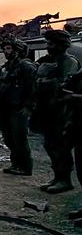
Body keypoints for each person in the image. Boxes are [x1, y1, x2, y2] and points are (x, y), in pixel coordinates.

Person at [32, 29, 80, 193]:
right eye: (47, 43)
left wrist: (46, 83)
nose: (48, 46)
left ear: (61, 45)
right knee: (50, 145)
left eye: (51, 44)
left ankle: (64, 180)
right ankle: (58, 177)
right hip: (49, 110)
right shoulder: (49, 62)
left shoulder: (69, 62)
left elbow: (64, 87)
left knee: (61, 147)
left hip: (62, 112)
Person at [0, 37, 36, 175]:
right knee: (9, 137)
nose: (6, 52)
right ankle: (16, 163)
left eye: (9, 49)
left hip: (19, 108)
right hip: (5, 107)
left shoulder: (26, 66)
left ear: (17, 50)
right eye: (4, 49)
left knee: (19, 137)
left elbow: (33, 88)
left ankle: (25, 166)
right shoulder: (7, 67)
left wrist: (28, 106)